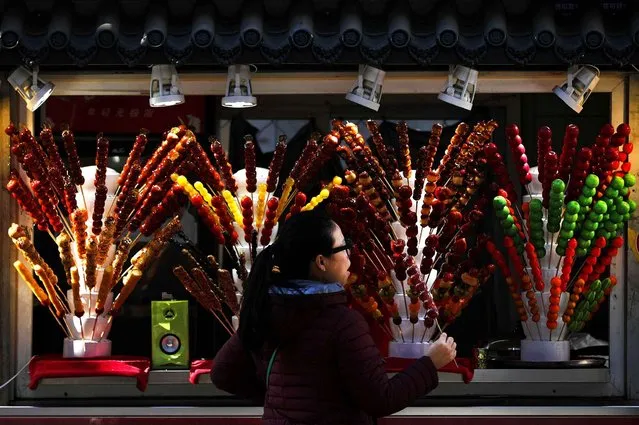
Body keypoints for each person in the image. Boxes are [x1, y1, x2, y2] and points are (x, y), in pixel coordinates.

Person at [211, 210, 456, 424]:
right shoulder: (342, 323)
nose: (349, 255)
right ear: (321, 262)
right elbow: (381, 399)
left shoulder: (266, 308)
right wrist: (430, 363)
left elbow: (222, 372)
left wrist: (283, 400)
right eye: (343, 247)